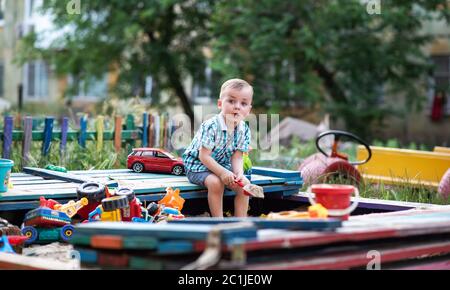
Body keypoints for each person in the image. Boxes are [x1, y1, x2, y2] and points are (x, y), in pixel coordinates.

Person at [183, 78, 253, 217]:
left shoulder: (244, 129)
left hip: (222, 165)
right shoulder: (211, 126)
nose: (237, 106)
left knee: (244, 185)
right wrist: (222, 173)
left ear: (248, 109)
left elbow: (237, 156)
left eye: (243, 103)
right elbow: (204, 156)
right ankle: (218, 220)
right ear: (220, 104)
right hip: (198, 165)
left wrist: (238, 173)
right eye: (231, 101)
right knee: (216, 183)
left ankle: (240, 221)